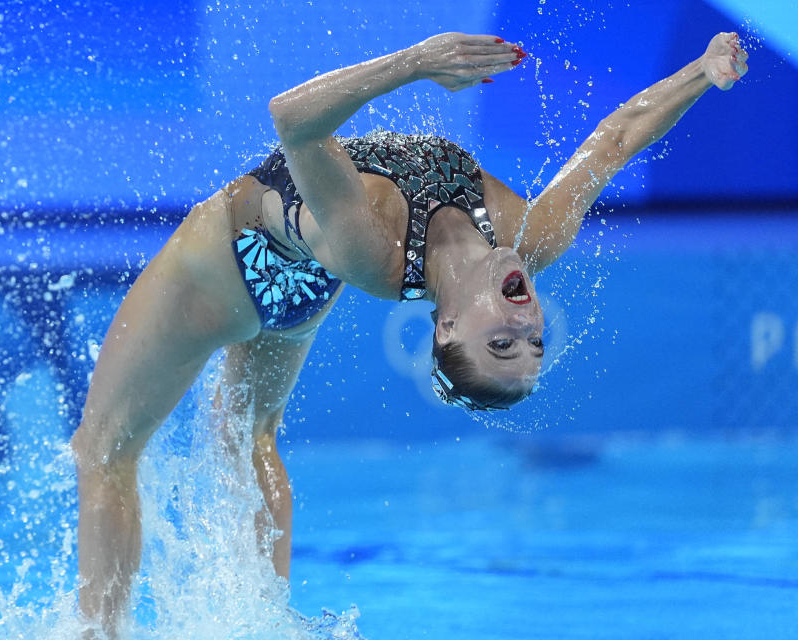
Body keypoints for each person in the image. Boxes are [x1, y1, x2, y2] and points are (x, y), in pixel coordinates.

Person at [70, 31, 748, 637]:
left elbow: (293, 122)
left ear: (447, 324)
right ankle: (262, 624)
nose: (525, 323)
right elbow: (616, 141)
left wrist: (416, 63)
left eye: (501, 344)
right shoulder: (532, 237)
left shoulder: (381, 254)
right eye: (532, 342)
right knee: (249, 435)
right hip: (305, 284)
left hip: (225, 261)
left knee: (103, 450)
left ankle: (97, 632)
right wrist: (700, 71)